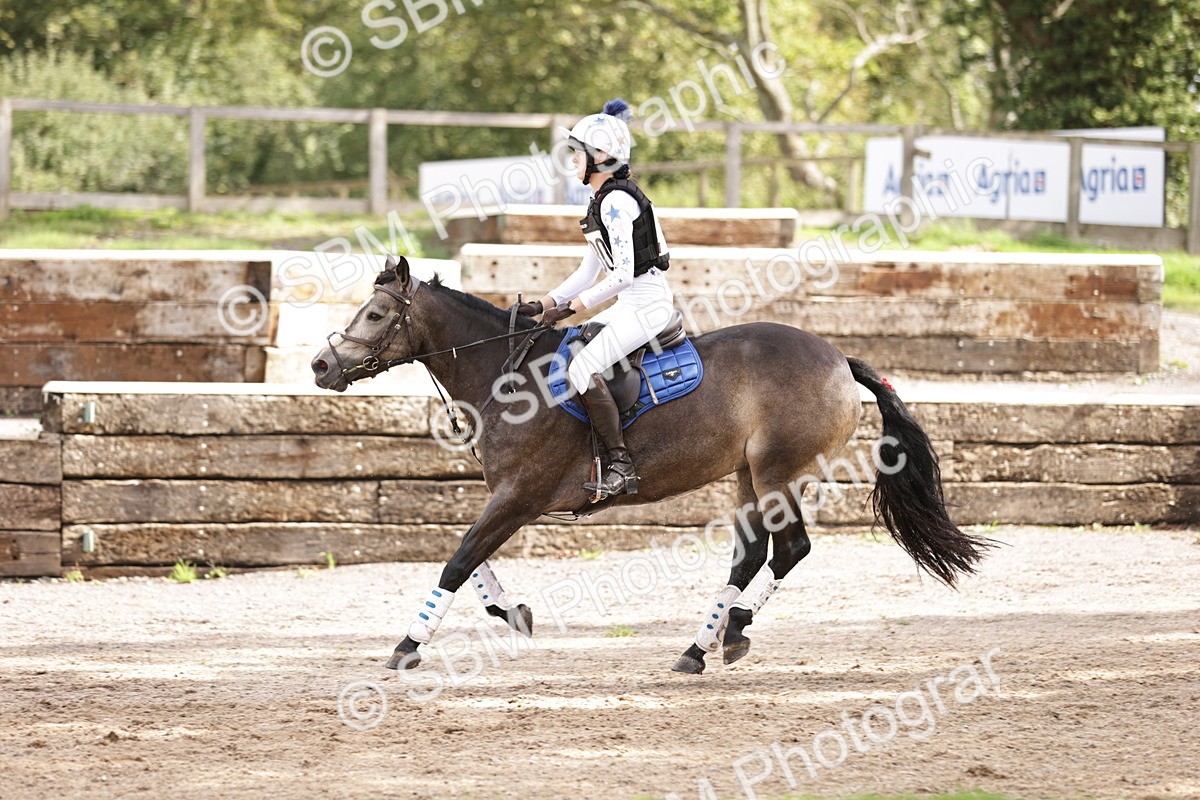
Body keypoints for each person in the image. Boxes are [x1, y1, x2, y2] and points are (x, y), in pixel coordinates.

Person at [517, 98, 675, 499]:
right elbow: (589, 270)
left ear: (601, 156)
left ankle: (621, 464)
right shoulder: (601, 200)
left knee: (582, 369)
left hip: (648, 303)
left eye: (578, 153)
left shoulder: (618, 202)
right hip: (631, 303)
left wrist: (573, 308)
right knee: (571, 348)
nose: (572, 160)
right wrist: (545, 303)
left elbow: (621, 275)